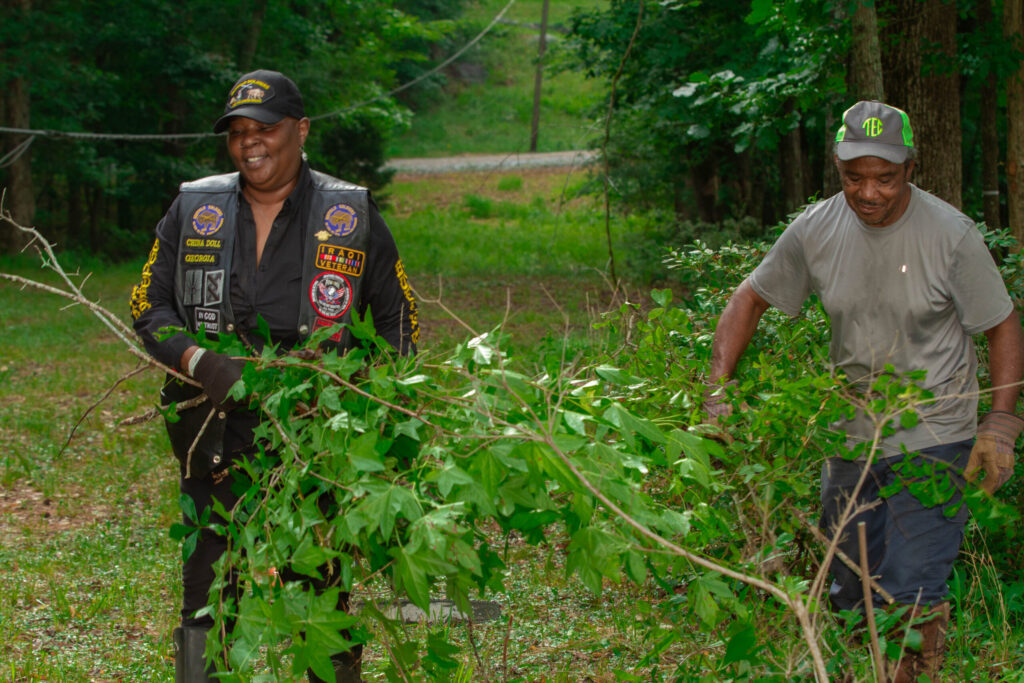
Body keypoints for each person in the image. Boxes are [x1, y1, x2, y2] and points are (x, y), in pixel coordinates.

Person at [704, 100, 1024, 681]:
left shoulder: (950, 235)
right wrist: (715, 390)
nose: (868, 192)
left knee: (910, 590)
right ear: (837, 168)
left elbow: (1002, 322)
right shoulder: (816, 229)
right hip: (849, 440)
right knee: (852, 593)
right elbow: (748, 297)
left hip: (936, 435)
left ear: (909, 168)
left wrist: (1000, 425)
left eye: (885, 178)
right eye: (854, 178)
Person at [130, 69, 419, 683]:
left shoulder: (352, 214)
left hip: (312, 448)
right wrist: (198, 362)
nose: (249, 144)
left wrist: (365, 403)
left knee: (320, 598)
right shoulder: (194, 207)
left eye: (264, 130)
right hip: (212, 440)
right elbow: (147, 307)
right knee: (207, 592)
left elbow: (398, 321)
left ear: (300, 129)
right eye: (237, 133)